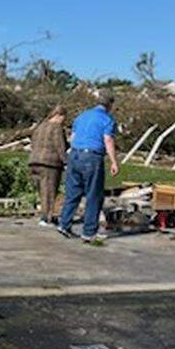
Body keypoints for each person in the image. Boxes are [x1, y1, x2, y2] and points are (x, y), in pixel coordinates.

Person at [57, 93, 119, 243]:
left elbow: (73, 136)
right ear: (110, 105)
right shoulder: (107, 119)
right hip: (91, 156)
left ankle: (64, 223)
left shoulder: (82, 116)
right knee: (94, 195)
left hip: (75, 154)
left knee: (73, 191)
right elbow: (108, 139)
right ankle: (89, 232)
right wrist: (113, 161)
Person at [28, 105, 67, 226]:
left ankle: (45, 215)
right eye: (63, 118)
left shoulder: (39, 127)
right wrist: (65, 161)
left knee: (41, 191)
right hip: (49, 163)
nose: (63, 121)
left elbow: (33, 143)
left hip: (34, 161)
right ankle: (46, 217)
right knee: (49, 191)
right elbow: (59, 146)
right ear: (58, 116)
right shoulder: (56, 128)